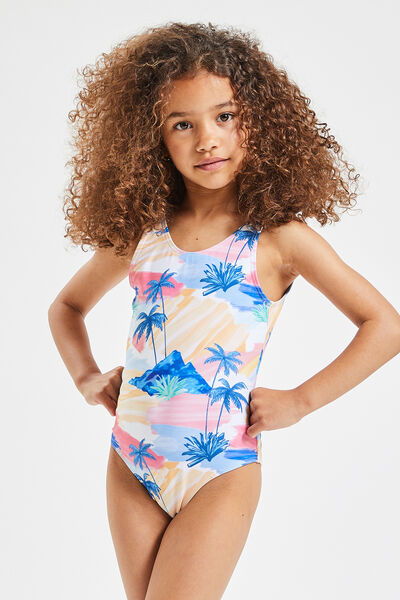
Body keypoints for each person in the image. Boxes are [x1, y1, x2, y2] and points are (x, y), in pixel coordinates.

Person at [48, 21, 400, 600]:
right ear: (152, 138)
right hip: (130, 458)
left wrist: (301, 400)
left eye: (224, 116)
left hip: (221, 468)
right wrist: (86, 377)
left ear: (256, 120)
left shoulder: (279, 238)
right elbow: (66, 306)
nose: (207, 140)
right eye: (182, 124)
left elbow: (384, 326)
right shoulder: (142, 232)